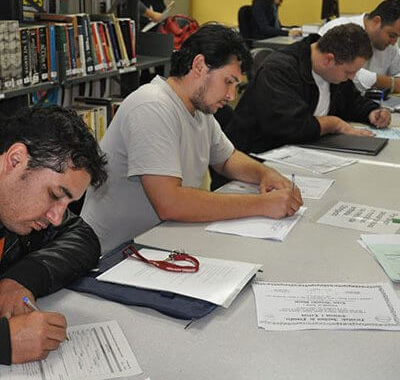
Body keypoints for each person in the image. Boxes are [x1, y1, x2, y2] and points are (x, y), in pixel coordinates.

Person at [81, 24, 303, 254]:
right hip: (114, 255)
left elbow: (227, 159)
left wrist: (265, 174)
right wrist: (263, 205)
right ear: (199, 66)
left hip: (156, 244)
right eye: (228, 81)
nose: (231, 96)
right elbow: (171, 203)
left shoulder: (200, 110)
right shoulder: (151, 106)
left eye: (236, 86)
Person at [0, 105, 107, 364]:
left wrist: (18, 280)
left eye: (67, 204)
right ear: (15, 160)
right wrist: (5, 343)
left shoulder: (17, 211)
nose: (56, 217)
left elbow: (81, 236)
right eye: (54, 195)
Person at [225, 24, 391, 154]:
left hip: (302, 153)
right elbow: (290, 126)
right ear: (329, 60)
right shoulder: (279, 70)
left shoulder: (333, 72)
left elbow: (351, 100)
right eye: (349, 72)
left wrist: (372, 112)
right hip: (256, 158)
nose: (352, 77)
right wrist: (334, 124)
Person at [318, 0, 400, 93]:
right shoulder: (340, 30)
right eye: (392, 35)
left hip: (369, 104)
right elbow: (343, 71)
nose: (394, 42)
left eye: (397, 36)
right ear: (377, 21)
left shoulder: (390, 46)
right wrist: (390, 83)